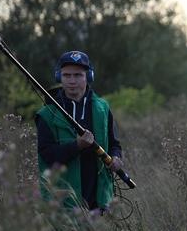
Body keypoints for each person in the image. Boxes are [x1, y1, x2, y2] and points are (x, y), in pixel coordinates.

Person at [35, 50, 124, 211]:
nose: (72, 81)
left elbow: (114, 143)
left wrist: (116, 157)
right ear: (59, 77)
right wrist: (77, 145)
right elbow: (47, 156)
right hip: (62, 202)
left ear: (88, 76)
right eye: (67, 75)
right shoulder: (47, 114)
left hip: (98, 199)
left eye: (78, 75)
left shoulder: (102, 108)